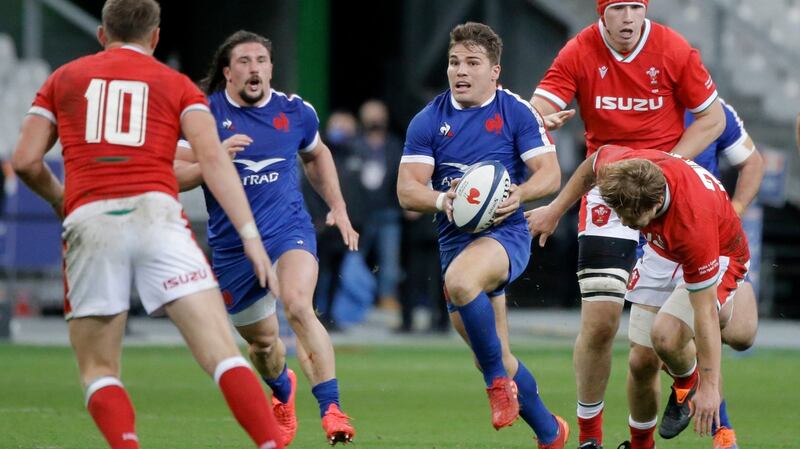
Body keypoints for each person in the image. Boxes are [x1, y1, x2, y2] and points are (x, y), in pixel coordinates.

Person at [10, 1, 284, 448]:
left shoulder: (64, 78)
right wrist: (250, 237)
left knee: (99, 370)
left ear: (102, 34)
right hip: (158, 217)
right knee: (222, 355)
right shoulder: (174, 84)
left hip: (91, 220)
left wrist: (63, 201)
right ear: (155, 37)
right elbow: (213, 157)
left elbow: (24, 161)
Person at [530, 2, 725, 447]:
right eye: (618, 8)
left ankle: (680, 389)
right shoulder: (579, 51)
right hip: (606, 188)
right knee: (600, 323)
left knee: (647, 354)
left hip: (664, 191)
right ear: (603, 13)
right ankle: (589, 438)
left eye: (635, 6)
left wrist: (667, 165)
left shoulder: (673, 49)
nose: (628, 17)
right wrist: (539, 118)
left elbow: (712, 118)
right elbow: (539, 107)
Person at [173, 30, 358, 446]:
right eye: (243, 61)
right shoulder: (203, 114)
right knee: (263, 345)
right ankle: (282, 389)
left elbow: (317, 154)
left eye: (261, 60)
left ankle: (331, 408)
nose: (253, 67)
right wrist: (212, 159)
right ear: (228, 71)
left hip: (287, 230)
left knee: (296, 303)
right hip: (232, 246)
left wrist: (337, 206)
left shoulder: (296, 112)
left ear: (271, 68)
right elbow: (173, 174)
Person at [398, 22, 568, 448]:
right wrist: (442, 202)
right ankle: (551, 433)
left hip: (505, 234)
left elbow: (549, 174)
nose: (461, 70)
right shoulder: (428, 119)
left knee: (460, 283)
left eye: (473, 63)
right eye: (455, 62)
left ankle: (496, 384)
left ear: (495, 70)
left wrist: (521, 194)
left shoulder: (516, 111)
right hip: (455, 240)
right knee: (492, 353)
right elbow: (407, 190)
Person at [527, 145, 752, 444]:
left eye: (634, 218)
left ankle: (689, 383)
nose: (625, 222)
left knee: (666, 335)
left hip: (721, 254)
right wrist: (555, 209)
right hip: (663, 251)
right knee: (640, 362)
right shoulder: (624, 167)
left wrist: (710, 385)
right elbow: (593, 162)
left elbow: (704, 312)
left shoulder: (693, 223)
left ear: (658, 201)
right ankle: (641, 444)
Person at [622, 100, 763, 449]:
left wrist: (736, 210)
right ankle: (716, 432)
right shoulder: (639, 107)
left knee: (739, 333)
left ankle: (701, 393)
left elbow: (752, 163)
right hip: (657, 246)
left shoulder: (715, 112)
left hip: (706, 239)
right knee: (644, 358)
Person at [350, 99, 403, 311]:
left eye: (378, 115)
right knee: (352, 258)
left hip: (388, 210)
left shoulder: (394, 144)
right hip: (359, 213)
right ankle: (353, 299)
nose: (375, 120)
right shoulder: (354, 145)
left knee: (390, 259)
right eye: (370, 115)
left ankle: (387, 297)